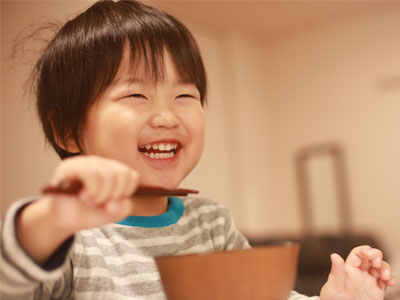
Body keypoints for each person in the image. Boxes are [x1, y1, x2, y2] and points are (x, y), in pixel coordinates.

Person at [0, 1, 396, 299]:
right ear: (68, 130)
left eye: (185, 94)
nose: (167, 116)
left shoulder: (212, 225)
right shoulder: (69, 236)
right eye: (136, 93)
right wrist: (51, 219)